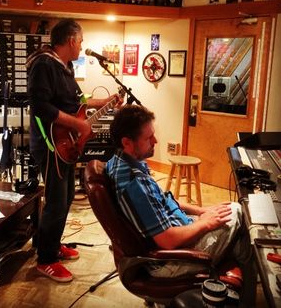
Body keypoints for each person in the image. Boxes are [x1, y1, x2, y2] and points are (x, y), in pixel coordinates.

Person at [105, 104, 256, 307]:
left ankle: (242, 295)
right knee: (239, 212)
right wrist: (204, 224)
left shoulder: (120, 162)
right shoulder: (133, 184)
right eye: (149, 137)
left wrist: (202, 212)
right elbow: (167, 241)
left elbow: (165, 200)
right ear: (127, 142)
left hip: (180, 231)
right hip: (168, 262)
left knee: (236, 230)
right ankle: (247, 297)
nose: (155, 141)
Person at [27, 18, 122, 282]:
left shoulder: (64, 67)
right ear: (71, 40)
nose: (82, 46)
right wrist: (78, 124)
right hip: (51, 144)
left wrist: (107, 101)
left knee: (66, 196)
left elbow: (79, 101)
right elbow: (41, 107)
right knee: (56, 202)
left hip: (65, 145)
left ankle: (52, 244)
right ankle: (45, 260)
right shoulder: (44, 64)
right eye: (80, 41)